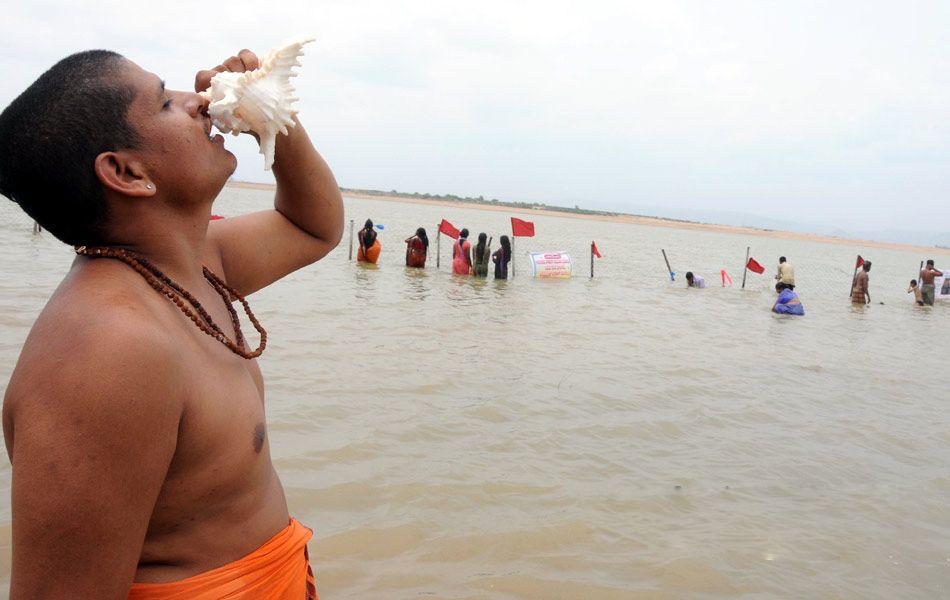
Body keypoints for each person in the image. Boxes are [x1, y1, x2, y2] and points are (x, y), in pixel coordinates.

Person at [0, 48, 343, 598]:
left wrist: (270, 111)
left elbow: (314, 226)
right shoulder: (108, 349)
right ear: (125, 172)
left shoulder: (195, 265)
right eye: (165, 101)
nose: (198, 100)